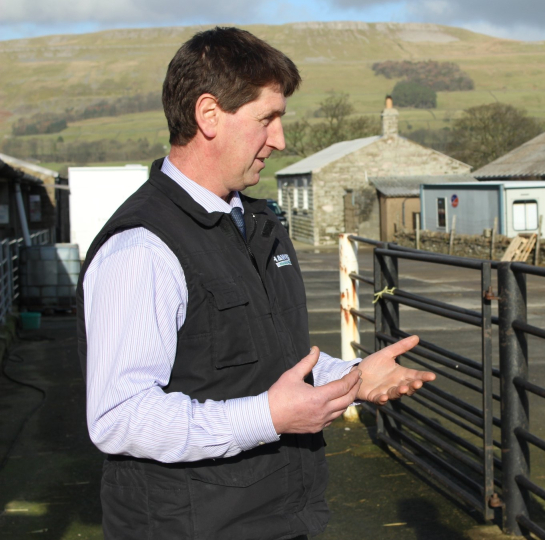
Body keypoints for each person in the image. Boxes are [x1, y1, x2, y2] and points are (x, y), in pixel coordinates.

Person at [77, 27, 435, 540]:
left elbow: (267, 361)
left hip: (278, 518)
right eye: (266, 118)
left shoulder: (257, 223)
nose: (280, 140)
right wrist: (266, 417)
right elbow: (120, 415)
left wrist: (353, 378)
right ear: (208, 115)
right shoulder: (142, 248)